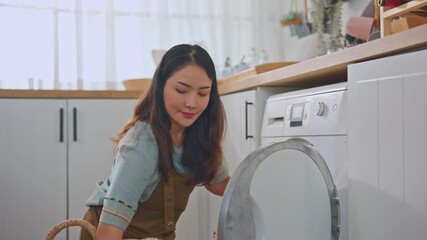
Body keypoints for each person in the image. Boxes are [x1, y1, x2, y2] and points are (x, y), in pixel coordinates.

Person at [80, 44, 230, 240]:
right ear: (160, 87)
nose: (192, 103)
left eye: (202, 93)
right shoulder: (142, 144)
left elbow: (219, 184)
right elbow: (108, 233)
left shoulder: (197, 133)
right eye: (181, 90)